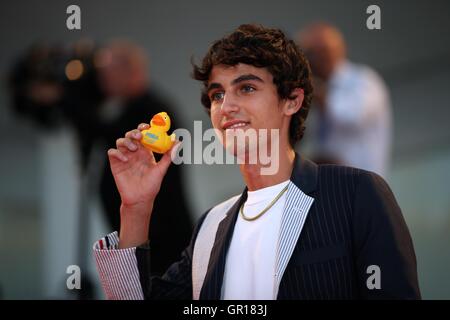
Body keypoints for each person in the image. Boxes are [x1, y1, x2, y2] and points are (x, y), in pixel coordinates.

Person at [93, 24, 420, 299]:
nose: (226, 107)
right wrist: (135, 209)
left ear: (292, 100)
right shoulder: (210, 226)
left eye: (246, 88)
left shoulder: (355, 194)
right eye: (217, 94)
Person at [95, 41, 194, 275]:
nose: (102, 81)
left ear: (132, 71)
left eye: (108, 73)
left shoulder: (155, 112)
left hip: (162, 240)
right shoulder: (121, 111)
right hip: (139, 236)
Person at [297, 23, 392, 177]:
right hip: (331, 184)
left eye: (308, 55)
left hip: (363, 186)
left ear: (324, 54)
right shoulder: (315, 90)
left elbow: (352, 117)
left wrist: (319, 95)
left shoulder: (363, 80)